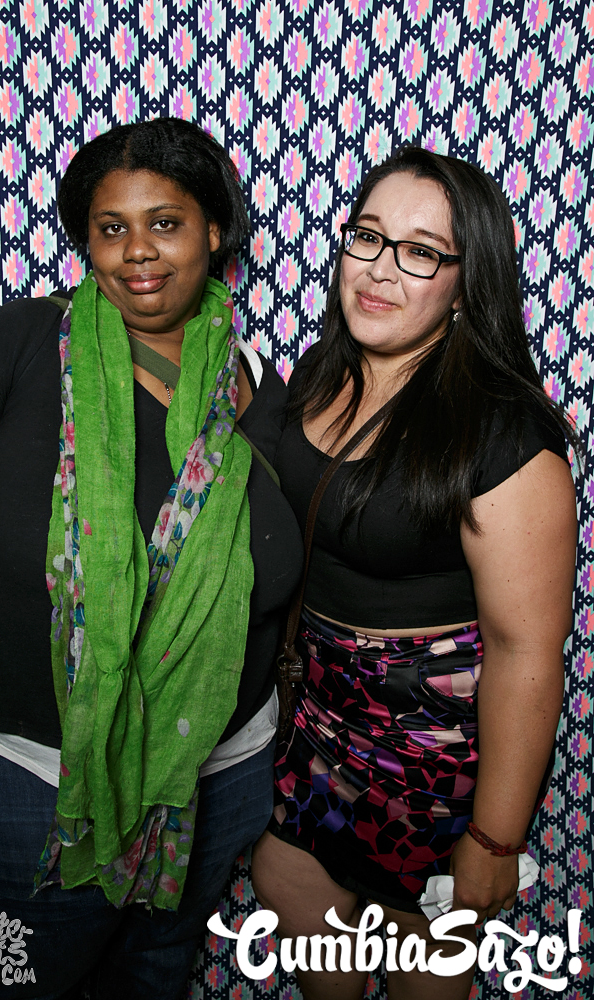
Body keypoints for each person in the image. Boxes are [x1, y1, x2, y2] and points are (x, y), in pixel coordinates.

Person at [0, 117, 303, 999]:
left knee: (155, 976)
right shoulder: (21, 344)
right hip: (23, 777)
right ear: (86, 243)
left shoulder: (252, 381)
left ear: (214, 232)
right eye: (111, 227)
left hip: (214, 778)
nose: (138, 251)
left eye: (165, 223)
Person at [252, 147, 578, 1000]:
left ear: (467, 284)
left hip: (432, 764)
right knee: (289, 885)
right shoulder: (317, 375)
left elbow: (525, 650)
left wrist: (495, 840)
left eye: (421, 252)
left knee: (419, 970)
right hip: (315, 727)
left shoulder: (503, 433)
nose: (380, 268)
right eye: (367, 236)